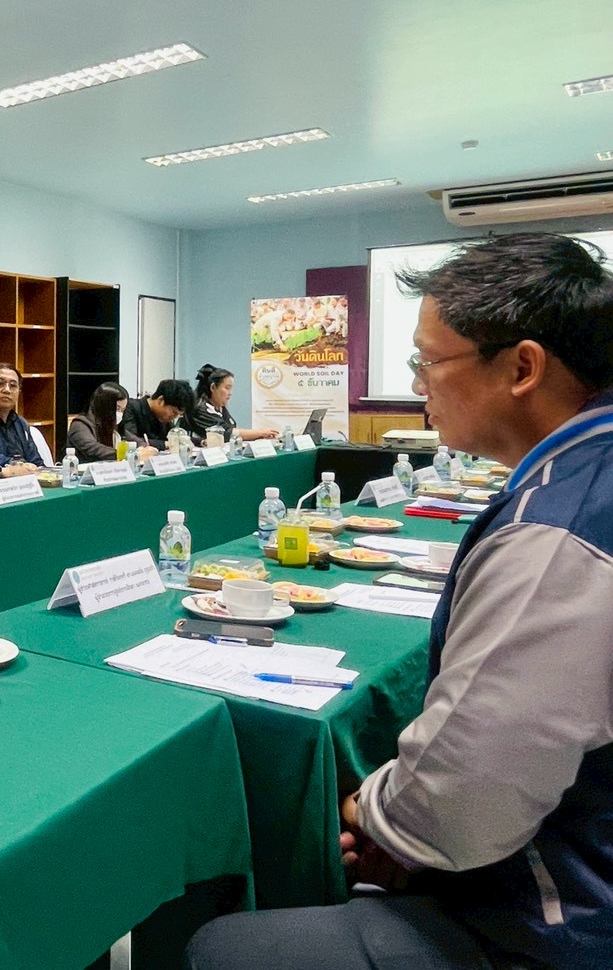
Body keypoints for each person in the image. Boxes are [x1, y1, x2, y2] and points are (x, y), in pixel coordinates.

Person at [187, 231, 613, 969]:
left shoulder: (554, 535)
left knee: (222, 949)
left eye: (428, 361)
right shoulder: (585, 475)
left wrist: (372, 814)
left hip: (560, 919)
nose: (418, 384)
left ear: (522, 367)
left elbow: (463, 806)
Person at [182, 364, 279, 444]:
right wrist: (259, 433)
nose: (230, 393)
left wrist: (259, 436)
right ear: (213, 387)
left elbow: (232, 429)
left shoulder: (220, 407)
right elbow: (226, 433)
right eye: (227, 388)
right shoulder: (199, 409)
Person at [66, 381, 129, 462]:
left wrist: (141, 449)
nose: (120, 413)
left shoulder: (112, 424)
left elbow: (130, 437)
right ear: (104, 406)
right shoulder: (80, 425)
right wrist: (124, 454)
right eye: (117, 408)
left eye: (122, 410)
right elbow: (94, 449)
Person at [121, 379, 194, 448]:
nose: (174, 417)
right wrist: (164, 444)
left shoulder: (163, 418)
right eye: (174, 412)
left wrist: (197, 441)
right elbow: (129, 439)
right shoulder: (130, 407)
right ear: (160, 400)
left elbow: (176, 438)